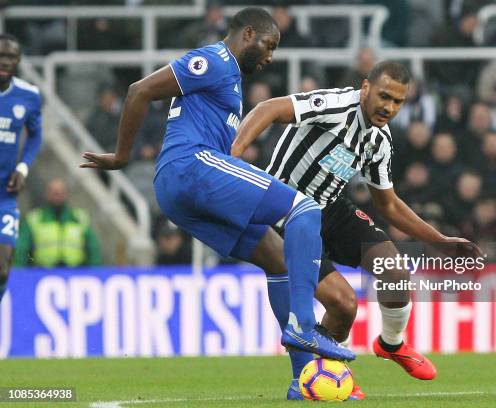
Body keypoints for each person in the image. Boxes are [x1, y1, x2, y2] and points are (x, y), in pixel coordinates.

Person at [79, 8, 355, 365]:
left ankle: (304, 377)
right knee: (304, 209)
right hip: (190, 166)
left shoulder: (231, 79)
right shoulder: (215, 59)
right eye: (269, 46)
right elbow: (139, 91)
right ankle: (304, 325)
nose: (270, 57)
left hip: (181, 191)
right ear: (249, 33)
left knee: (276, 258)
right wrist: (121, 155)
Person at [232, 60, 482, 400]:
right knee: (344, 305)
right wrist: (233, 155)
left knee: (394, 271)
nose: (388, 107)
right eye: (384, 96)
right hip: (285, 212)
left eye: (398, 102)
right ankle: (318, 377)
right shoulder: (335, 105)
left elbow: (389, 204)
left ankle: (391, 344)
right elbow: (270, 107)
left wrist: (438, 241)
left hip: (330, 210)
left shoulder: (378, 140)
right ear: (365, 88)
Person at [0, 33, 42, 303]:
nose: (5, 61)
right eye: (0, 55)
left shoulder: (29, 95)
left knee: (3, 269)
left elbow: (36, 135)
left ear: (19, 61)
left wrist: (24, 168)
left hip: (4, 193)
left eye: (10, 56)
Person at [14, 178, 102, 268]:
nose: (57, 194)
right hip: (42, 273)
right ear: (46, 193)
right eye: (53, 192)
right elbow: (22, 249)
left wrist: (95, 272)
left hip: (75, 272)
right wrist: (18, 272)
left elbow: (93, 248)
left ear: (67, 194)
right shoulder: (34, 218)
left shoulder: (80, 218)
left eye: (60, 192)